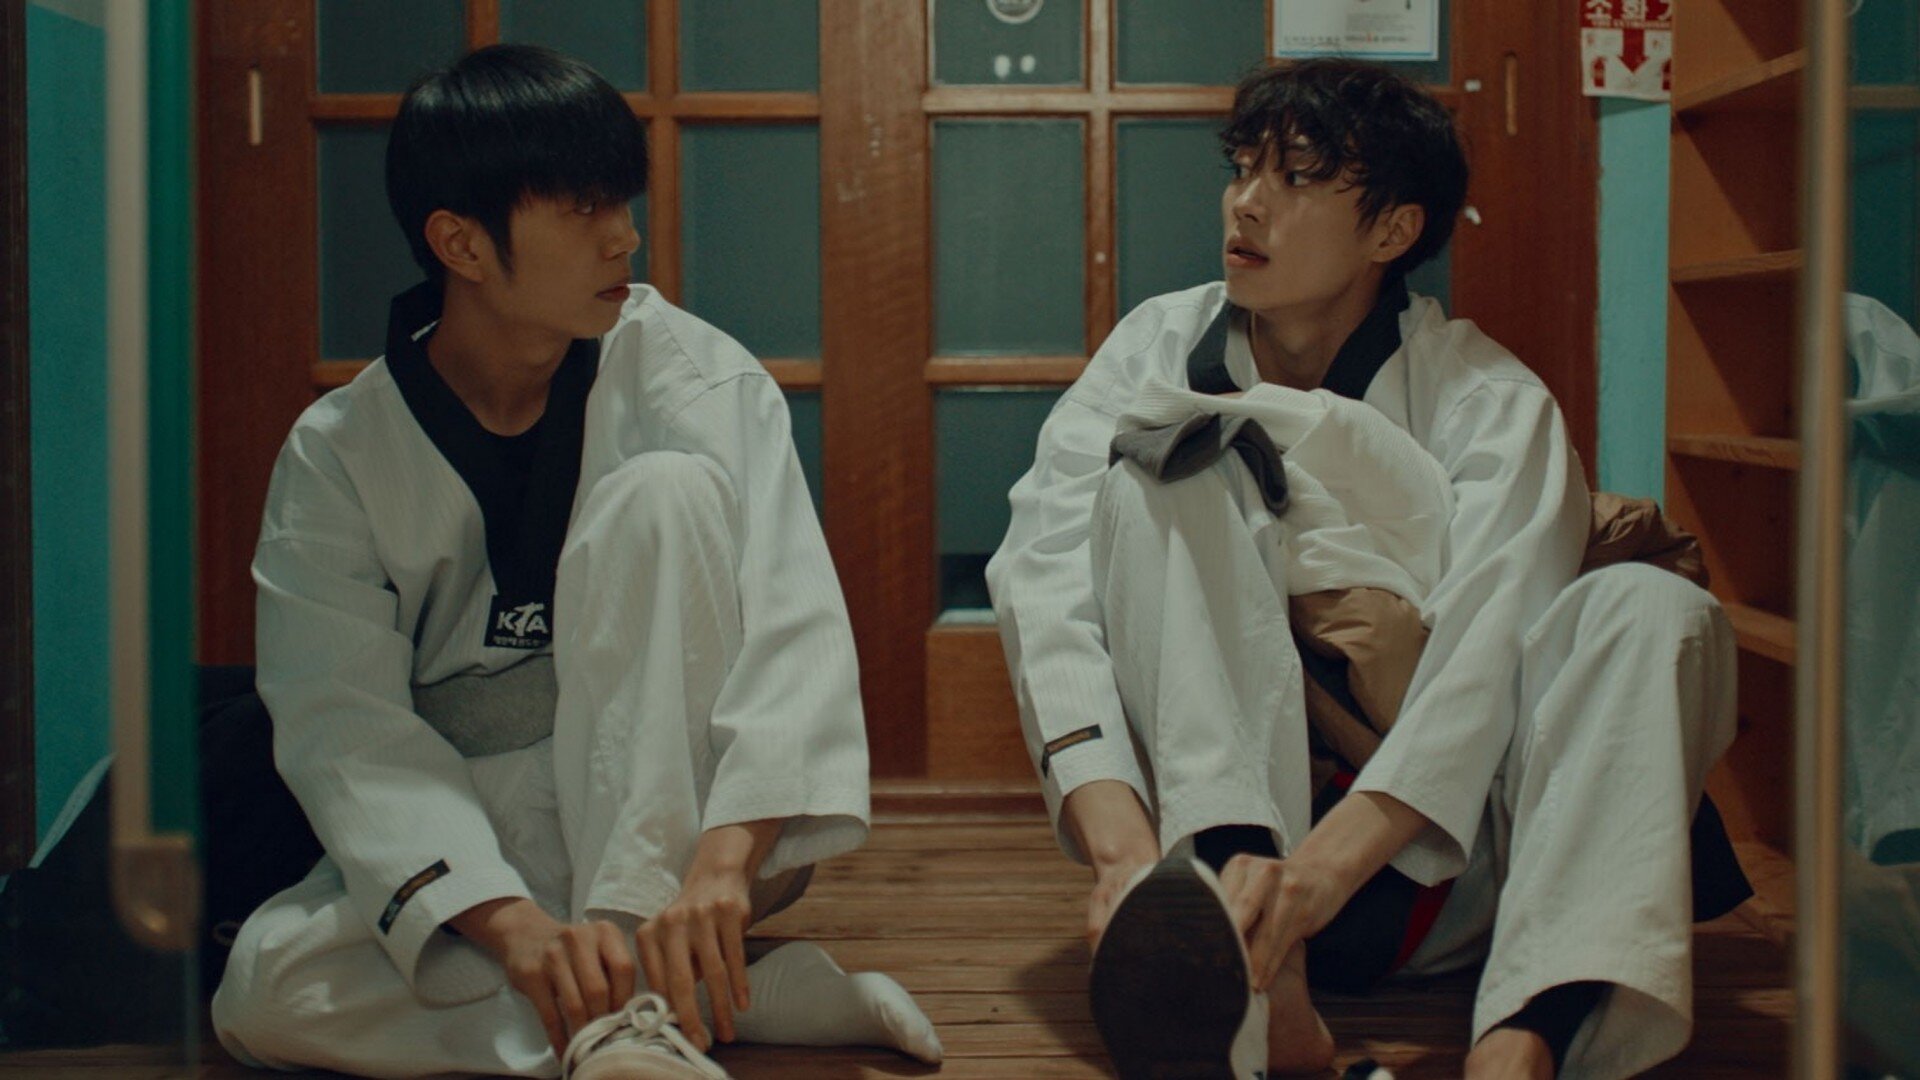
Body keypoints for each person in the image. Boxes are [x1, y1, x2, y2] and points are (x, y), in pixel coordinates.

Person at [987, 58, 1742, 1079]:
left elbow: (1485, 667)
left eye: (1297, 177)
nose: (1248, 201)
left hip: (1457, 876)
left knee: (1653, 608)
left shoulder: (1489, 400)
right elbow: (1044, 577)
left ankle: (1527, 1038)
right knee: (1165, 469)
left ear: (1392, 232)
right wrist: (1123, 852)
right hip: (1222, 872)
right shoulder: (1156, 348)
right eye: (1243, 168)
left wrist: (1319, 877)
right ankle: (1264, 986)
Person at [210, 44, 940, 1080]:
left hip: (685, 821)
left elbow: (793, 629)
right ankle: (699, 998)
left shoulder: (698, 380)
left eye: (622, 201)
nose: (624, 235)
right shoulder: (338, 454)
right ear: (461, 243)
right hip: (477, 824)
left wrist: (723, 866)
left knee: (667, 492)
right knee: (265, 992)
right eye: (584, 207)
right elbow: (345, 726)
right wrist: (511, 927)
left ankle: (641, 976)